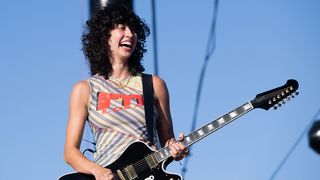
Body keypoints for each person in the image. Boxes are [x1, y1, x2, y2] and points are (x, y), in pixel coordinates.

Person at [63, 4, 188, 180]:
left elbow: (168, 140)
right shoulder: (84, 89)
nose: (130, 34)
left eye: (133, 30)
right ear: (104, 36)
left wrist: (176, 149)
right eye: (121, 28)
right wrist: (96, 170)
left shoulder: (154, 84)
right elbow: (70, 152)